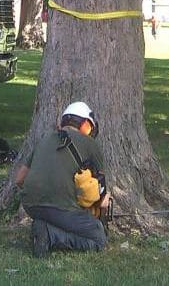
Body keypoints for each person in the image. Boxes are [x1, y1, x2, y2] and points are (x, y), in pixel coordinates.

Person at [15, 101, 109, 257]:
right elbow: (102, 193)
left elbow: (19, 179)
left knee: (56, 216)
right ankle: (51, 235)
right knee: (99, 238)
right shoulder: (90, 144)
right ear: (86, 124)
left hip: (31, 204)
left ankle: (44, 225)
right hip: (62, 209)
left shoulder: (44, 138)